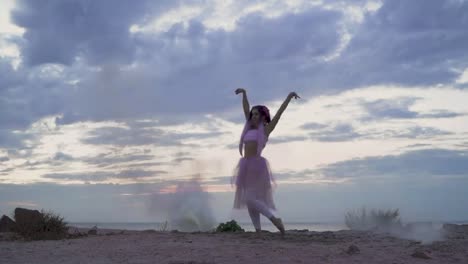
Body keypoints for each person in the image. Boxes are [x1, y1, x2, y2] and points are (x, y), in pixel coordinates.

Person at [232, 88, 300, 237]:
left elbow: (279, 114)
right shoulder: (248, 127)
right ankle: (258, 230)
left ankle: (275, 220)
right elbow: (245, 108)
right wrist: (244, 94)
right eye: (253, 114)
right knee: (250, 200)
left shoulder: (266, 130)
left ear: (263, 116)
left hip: (257, 166)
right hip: (245, 165)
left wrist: (288, 97)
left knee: (250, 198)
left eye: (257, 114)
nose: (253, 116)